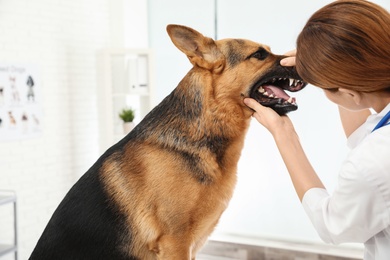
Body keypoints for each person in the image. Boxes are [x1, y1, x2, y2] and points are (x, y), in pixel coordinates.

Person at [243, 0, 390, 259]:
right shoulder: (377, 146)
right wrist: (330, 66)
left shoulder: (374, 161)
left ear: (349, 93)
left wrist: (283, 134)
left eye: (325, 87)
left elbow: (332, 225)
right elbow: (364, 137)